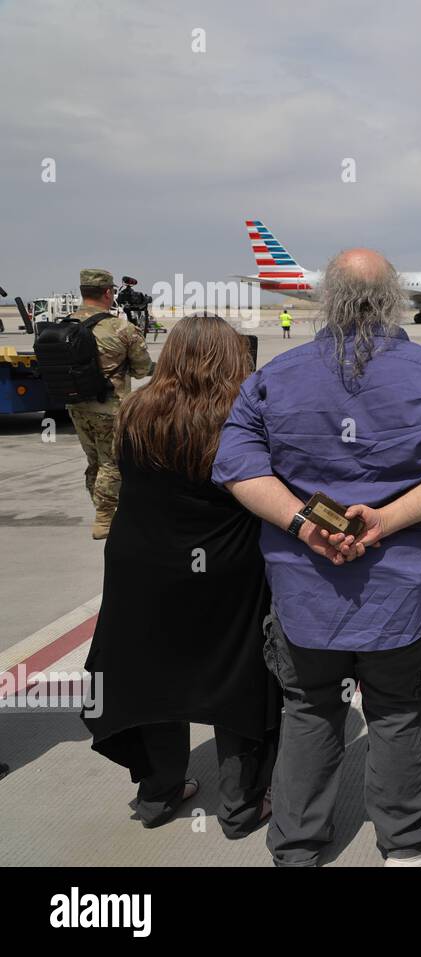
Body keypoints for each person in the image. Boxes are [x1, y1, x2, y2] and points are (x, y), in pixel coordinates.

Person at [213, 249, 421, 867]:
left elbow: (235, 466)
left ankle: (296, 847)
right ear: (392, 297)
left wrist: (300, 524)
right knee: (397, 712)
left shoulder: (273, 379)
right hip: (403, 591)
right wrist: (388, 520)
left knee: (309, 711)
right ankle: (408, 841)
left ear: (326, 299)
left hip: (305, 590)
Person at [81, 315, 280, 835]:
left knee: (150, 674)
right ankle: (240, 805)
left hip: (142, 561)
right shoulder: (245, 411)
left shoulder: (136, 409)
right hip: (226, 564)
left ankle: (159, 792)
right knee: (237, 675)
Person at [60, 269, 153, 538]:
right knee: (113, 462)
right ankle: (104, 517)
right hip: (110, 408)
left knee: (94, 462)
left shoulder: (64, 324)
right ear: (108, 293)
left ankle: (102, 510)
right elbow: (141, 369)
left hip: (77, 406)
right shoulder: (120, 328)